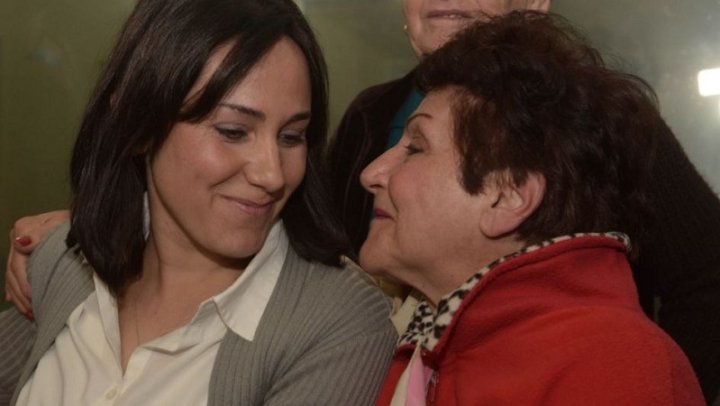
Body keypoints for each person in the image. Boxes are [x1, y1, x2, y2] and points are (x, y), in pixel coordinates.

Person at [7, 0, 720, 401]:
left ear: (511, 194)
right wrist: (90, 226)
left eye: (293, 135)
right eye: (235, 129)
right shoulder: (427, 350)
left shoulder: (610, 132)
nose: (371, 175)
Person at [0, 0, 396, 405]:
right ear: (138, 126)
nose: (272, 174)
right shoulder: (62, 263)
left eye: (291, 137)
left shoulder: (337, 322)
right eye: (233, 131)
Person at [325, 0, 720, 402]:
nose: (372, 175)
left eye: (418, 148)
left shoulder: (601, 124)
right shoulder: (368, 116)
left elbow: (706, 280)